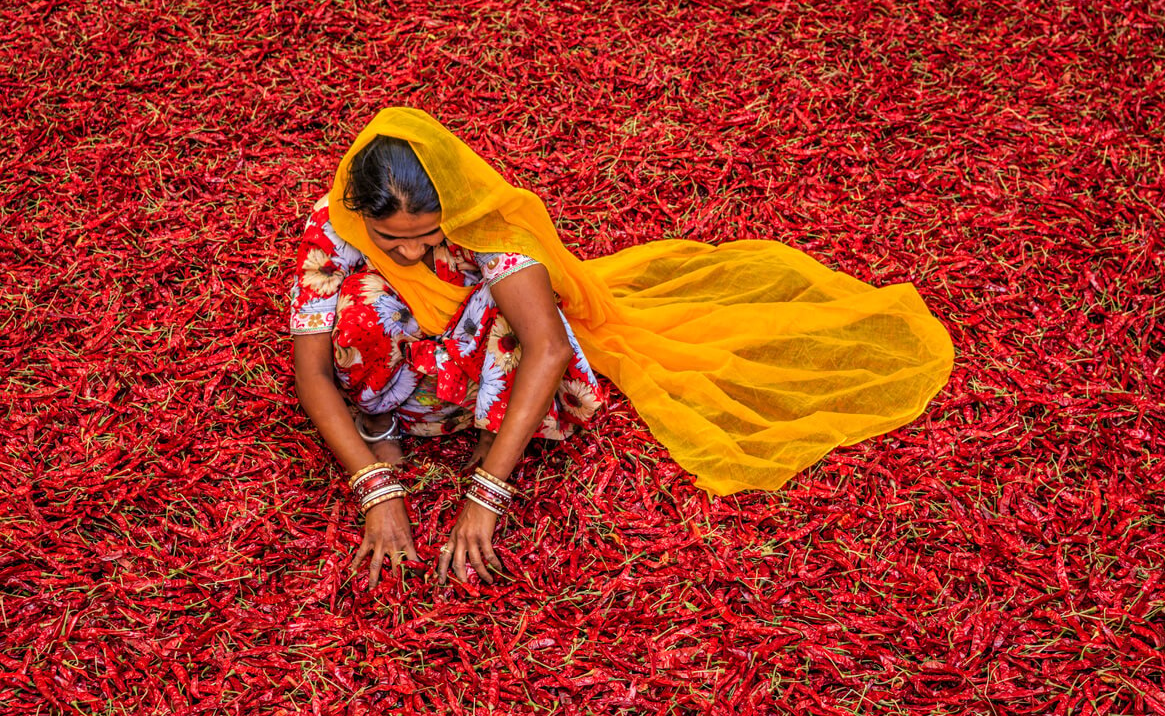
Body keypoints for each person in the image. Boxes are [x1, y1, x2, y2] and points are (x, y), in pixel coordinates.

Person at [289, 108, 955, 590]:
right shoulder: (333, 222)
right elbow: (313, 369)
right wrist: (375, 488)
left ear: (452, 209)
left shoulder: (484, 220)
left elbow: (547, 350)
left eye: (427, 236)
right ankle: (385, 432)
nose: (409, 251)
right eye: (390, 238)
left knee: (509, 314)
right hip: (406, 378)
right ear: (358, 209)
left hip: (476, 362)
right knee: (361, 303)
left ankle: (468, 433)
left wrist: (485, 493)